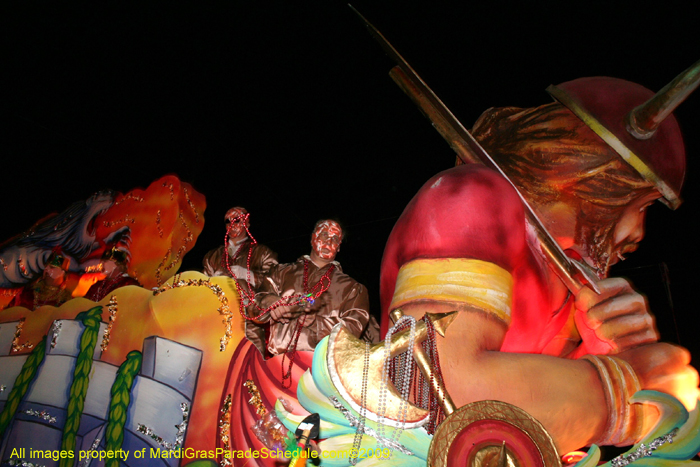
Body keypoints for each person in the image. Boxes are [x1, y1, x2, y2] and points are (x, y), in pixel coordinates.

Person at [379, 69, 700, 453]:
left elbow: (539, 418)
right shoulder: (468, 198)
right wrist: (626, 391)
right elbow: (432, 388)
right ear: (599, 180)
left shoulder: (563, 277)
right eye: (643, 205)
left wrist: (597, 353)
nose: (638, 232)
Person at [246, 219, 378, 360]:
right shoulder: (280, 273)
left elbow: (352, 332)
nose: (328, 241)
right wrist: (269, 301)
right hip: (278, 362)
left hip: (323, 370)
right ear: (313, 237)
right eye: (324, 235)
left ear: (339, 247)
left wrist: (318, 324)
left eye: (335, 238)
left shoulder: (353, 289)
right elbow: (252, 309)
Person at [201, 206, 277, 292]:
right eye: (227, 221)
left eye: (236, 220)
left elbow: (276, 282)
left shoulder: (263, 253)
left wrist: (249, 276)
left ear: (247, 224)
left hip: (252, 304)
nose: (231, 224)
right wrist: (212, 281)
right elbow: (202, 289)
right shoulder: (212, 256)